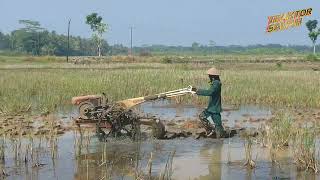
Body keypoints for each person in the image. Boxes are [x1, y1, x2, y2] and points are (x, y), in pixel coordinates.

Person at [192, 67, 225, 137]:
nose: (209, 77)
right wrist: (196, 90)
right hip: (211, 107)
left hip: (215, 108)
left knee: (218, 125)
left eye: (209, 75)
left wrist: (197, 91)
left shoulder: (216, 84)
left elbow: (210, 92)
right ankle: (210, 130)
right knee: (202, 116)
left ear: (213, 76)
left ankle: (220, 139)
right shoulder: (215, 83)